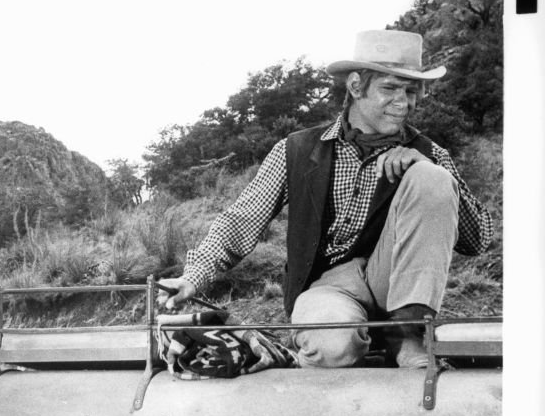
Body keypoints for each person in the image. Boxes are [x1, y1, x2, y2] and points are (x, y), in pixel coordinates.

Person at [159, 29, 493, 369]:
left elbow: (478, 239)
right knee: (331, 345)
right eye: (390, 88)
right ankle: (345, 344)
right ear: (355, 87)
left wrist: (431, 168)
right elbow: (242, 220)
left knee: (432, 177)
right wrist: (192, 278)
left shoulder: (429, 153)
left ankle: (407, 336)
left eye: (411, 91)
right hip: (328, 289)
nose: (403, 103)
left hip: (395, 281)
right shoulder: (297, 150)